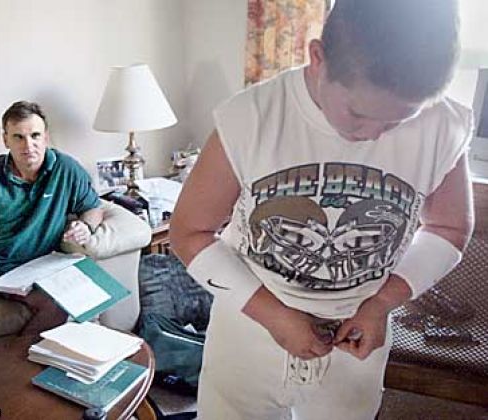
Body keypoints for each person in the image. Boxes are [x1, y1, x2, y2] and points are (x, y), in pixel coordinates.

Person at [170, 0, 474, 419]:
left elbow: (448, 228)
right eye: (358, 113)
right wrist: (275, 316)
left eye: (399, 121)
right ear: (318, 58)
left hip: (358, 333)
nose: (373, 135)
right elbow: (189, 234)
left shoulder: (444, 125)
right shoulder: (250, 118)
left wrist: (381, 304)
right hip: (249, 324)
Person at [0, 101, 104, 360]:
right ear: (5, 140)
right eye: (18, 137)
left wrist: (86, 226)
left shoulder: (67, 169)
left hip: (39, 264)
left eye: (35, 135)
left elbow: (93, 208)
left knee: (68, 300)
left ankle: (15, 363)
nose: (28, 145)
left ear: (45, 136)